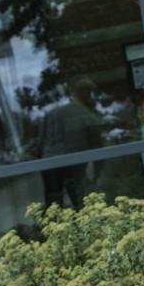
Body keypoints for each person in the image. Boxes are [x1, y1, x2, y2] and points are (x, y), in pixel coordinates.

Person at [38, 77, 103, 208]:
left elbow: (41, 142)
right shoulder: (87, 116)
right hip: (72, 164)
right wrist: (97, 176)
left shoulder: (52, 113)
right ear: (89, 95)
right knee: (80, 201)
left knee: (54, 204)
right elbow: (98, 147)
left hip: (50, 163)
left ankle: (55, 225)